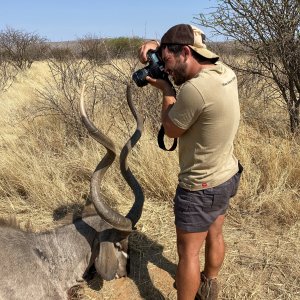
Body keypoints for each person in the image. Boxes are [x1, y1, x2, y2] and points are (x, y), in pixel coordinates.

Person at [138, 24, 243, 300]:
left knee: (187, 253)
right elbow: (180, 51)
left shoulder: (195, 90)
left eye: (168, 61)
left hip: (200, 187)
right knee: (215, 233)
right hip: (226, 174)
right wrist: (154, 48)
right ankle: (209, 286)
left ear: (186, 52)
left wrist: (165, 89)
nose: (167, 69)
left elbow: (171, 129)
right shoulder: (224, 72)